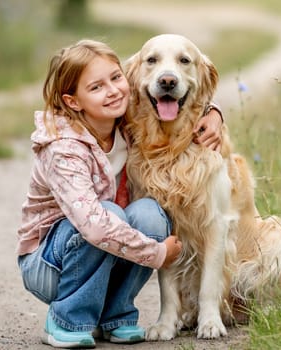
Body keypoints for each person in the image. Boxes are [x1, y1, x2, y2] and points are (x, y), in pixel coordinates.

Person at [16, 39, 223, 349]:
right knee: (109, 215)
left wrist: (215, 113)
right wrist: (156, 254)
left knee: (150, 215)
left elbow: (178, 104)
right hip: (50, 264)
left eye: (115, 79)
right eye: (96, 88)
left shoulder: (124, 123)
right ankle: (66, 319)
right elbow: (94, 225)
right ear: (74, 102)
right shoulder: (63, 149)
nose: (112, 91)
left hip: (104, 248)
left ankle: (115, 316)